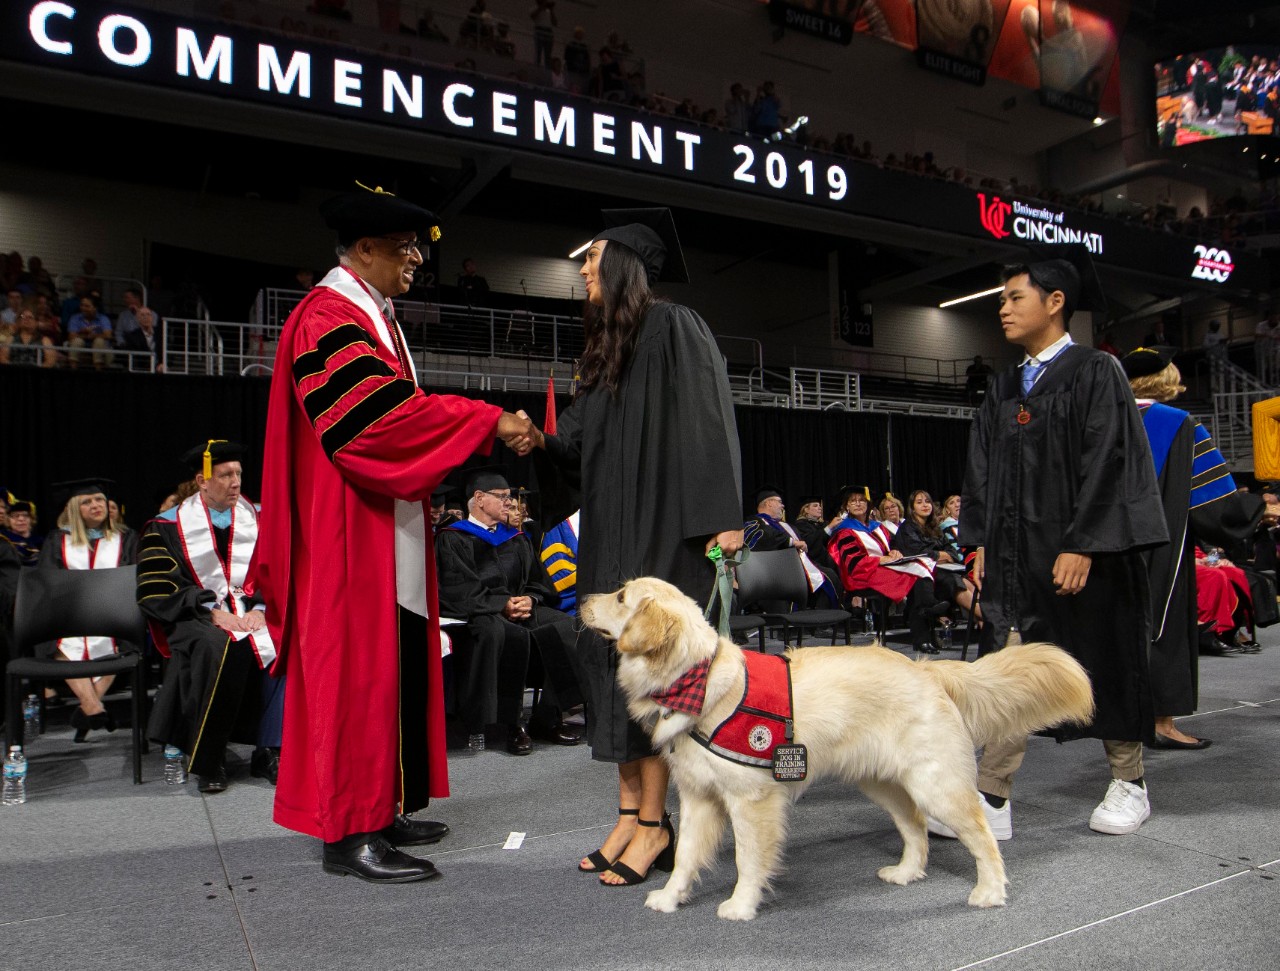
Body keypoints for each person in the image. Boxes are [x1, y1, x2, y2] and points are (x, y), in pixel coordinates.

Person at [252, 184, 533, 883]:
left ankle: (382, 806)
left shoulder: (373, 314)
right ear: (365, 247)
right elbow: (373, 425)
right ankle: (350, 833)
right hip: (347, 528)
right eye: (404, 247)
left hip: (383, 519)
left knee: (393, 666)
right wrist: (487, 420)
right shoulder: (327, 316)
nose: (417, 258)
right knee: (355, 674)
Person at [518, 207, 743, 887]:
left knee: (654, 672)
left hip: (665, 529)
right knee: (605, 659)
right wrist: (536, 440)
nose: (583, 269)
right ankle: (628, 813)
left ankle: (654, 823)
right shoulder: (602, 350)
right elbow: (574, 445)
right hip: (610, 534)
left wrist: (723, 521)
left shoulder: (675, 326)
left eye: (591, 258)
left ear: (621, 264)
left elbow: (710, 419)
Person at [953, 250, 1168, 841]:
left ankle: (1129, 782)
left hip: (1082, 555)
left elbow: (1110, 460)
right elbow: (981, 472)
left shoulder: (1096, 371)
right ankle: (992, 796)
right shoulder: (1004, 386)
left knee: (1101, 659)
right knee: (1011, 671)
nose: (1002, 309)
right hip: (1014, 559)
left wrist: (1084, 543)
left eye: (1014, 297)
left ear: (1055, 302)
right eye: (1001, 299)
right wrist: (981, 543)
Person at [1122, 347, 1263, 749]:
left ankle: (1121, 723)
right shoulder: (1177, 423)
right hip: (1161, 548)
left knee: (1118, 630)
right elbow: (1214, 506)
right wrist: (1255, 510)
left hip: (1103, 549)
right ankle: (1162, 723)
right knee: (1164, 628)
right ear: (1166, 379)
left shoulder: (1099, 419)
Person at [139, 442, 284, 793]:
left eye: (238, 474)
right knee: (214, 646)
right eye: (225, 475)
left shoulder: (261, 518)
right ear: (202, 481)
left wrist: (262, 609)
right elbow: (157, 589)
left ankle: (269, 749)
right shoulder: (166, 526)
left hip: (252, 612)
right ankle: (210, 757)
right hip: (196, 615)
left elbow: (281, 572)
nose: (235, 483)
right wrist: (211, 611)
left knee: (286, 639)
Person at [434, 469, 582, 755]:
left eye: (509, 497)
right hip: (482, 612)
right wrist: (501, 604)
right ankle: (511, 725)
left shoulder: (516, 538)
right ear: (479, 498)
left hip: (519, 607)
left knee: (568, 627)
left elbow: (538, 582)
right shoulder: (453, 537)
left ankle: (548, 716)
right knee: (511, 635)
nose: (509, 503)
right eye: (502, 497)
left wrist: (530, 599)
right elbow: (458, 588)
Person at [38, 479, 139, 741]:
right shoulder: (58, 539)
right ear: (74, 508)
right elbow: (47, 581)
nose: (96, 505)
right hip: (68, 615)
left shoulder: (126, 538)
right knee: (59, 640)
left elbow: (133, 577)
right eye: (87, 501)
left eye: (99, 500)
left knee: (122, 639)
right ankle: (93, 708)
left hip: (113, 614)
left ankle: (89, 709)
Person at [743, 487, 837, 606]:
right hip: (776, 571)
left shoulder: (787, 526)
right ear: (769, 503)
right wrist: (792, 542)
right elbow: (765, 536)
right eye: (779, 502)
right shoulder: (755, 522)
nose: (783, 506)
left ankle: (824, 616)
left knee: (829, 576)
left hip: (800, 567)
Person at [1, 500, 42, 567]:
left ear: (31, 519)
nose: (21, 519)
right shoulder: (3, 541)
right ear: (8, 520)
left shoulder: (41, 542)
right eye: (15, 516)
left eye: (25, 515)